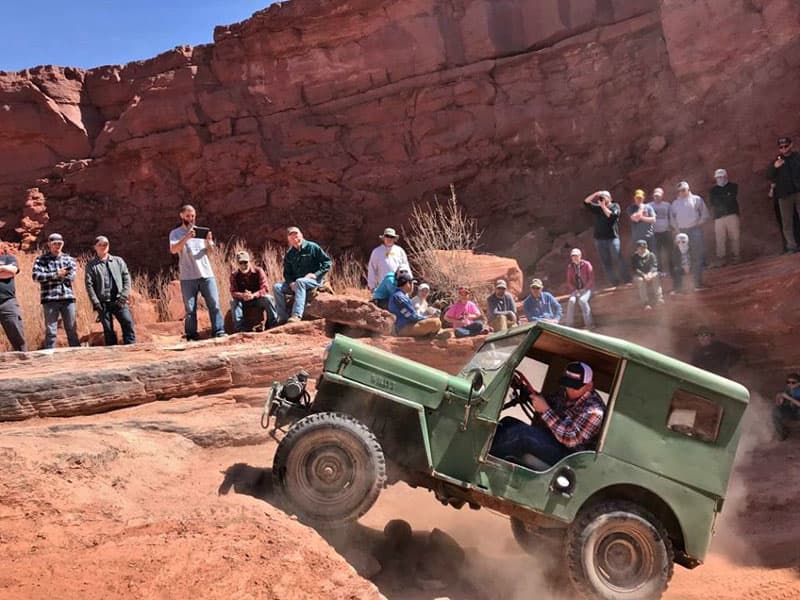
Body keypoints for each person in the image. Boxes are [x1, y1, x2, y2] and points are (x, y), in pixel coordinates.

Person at [490, 362, 605, 466]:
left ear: (589, 385)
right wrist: (526, 392)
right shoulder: (564, 393)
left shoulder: (595, 411)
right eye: (567, 384)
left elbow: (571, 439)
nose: (569, 389)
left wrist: (545, 410)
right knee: (507, 422)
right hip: (553, 440)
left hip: (568, 458)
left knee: (520, 434)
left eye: (574, 386)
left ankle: (487, 464)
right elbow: (548, 402)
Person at [169, 204, 225, 340]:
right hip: (188, 276)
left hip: (206, 274)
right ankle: (192, 335)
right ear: (181, 216)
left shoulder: (201, 232)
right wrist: (187, 238)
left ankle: (219, 331)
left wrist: (209, 242)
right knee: (190, 309)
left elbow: (211, 253)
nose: (191, 218)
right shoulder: (175, 233)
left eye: (193, 215)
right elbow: (174, 250)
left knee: (215, 305)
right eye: (188, 215)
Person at [273, 226, 332, 324]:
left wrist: (316, 274)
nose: (295, 240)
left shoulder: (312, 247)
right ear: (289, 241)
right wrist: (291, 283)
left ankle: (296, 315)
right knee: (277, 287)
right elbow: (287, 273)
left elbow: (327, 262)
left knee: (300, 281)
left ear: (302, 235)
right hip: (296, 284)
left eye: (297, 236)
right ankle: (282, 318)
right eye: (292, 238)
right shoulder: (289, 254)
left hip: (314, 281)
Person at [84, 236, 136, 345]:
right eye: (100, 245)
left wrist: (124, 296)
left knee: (128, 322)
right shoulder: (91, 265)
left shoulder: (118, 261)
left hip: (119, 300)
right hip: (103, 302)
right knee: (108, 329)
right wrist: (96, 302)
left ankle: (131, 349)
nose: (103, 247)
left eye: (105, 244)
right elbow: (89, 285)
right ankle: (112, 353)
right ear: (95, 247)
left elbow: (126, 279)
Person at [32, 233, 80, 349]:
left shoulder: (69, 259)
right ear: (49, 244)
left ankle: (78, 357)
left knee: (71, 329)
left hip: (67, 298)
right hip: (49, 299)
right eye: (55, 243)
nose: (57, 246)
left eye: (60, 243)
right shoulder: (41, 259)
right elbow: (36, 276)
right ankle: (50, 357)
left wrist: (51, 277)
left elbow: (72, 277)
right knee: (51, 331)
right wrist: (56, 274)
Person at [669, 181, 710, 291]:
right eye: (679, 191)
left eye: (683, 190)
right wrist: (677, 230)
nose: (681, 192)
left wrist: (698, 223)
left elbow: (705, 214)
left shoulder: (697, 199)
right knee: (681, 258)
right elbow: (672, 219)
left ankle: (697, 284)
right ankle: (680, 287)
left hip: (695, 230)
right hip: (681, 232)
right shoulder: (675, 203)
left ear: (688, 189)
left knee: (697, 255)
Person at [583, 190, 629, 287]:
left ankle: (626, 279)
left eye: (605, 196)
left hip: (612, 238)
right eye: (602, 197)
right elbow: (586, 202)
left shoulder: (615, 206)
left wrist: (603, 206)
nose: (602, 198)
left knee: (618, 258)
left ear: (610, 198)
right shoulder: (598, 208)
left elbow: (612, 216)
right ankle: (614, 282)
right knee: (606, 261)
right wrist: (596, 194)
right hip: (599, 239)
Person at [229, 251, 277, 332]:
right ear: (237, 263)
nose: (243, 265)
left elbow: (265, 288)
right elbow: (233, 292)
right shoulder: (234, 275)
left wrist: (253, 295)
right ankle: (240, 329)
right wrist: (243, 295)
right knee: (233, 302)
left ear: (249, 261)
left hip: (257, 299)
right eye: (241, 263)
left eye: (245, 262)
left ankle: (273, 324)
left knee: (269, 298)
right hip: (243, 301)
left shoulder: (258, 271)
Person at [767, 136, 800, 253]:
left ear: (791, 145)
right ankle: (791, 246)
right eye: (781, 147)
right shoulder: (776, 161)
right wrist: (775, 167)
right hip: (784, 195)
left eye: (786, 146)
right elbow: (768, 175)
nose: (784, 149)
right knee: (787, 222)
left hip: (798, 192)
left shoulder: (797, 157)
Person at [389, 272, 446, 338]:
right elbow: (412, 316)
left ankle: (430, 334)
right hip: (403, 328)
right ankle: (431, 336)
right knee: (435, 322)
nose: (413, 286)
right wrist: (427, 317)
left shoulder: (399, 295)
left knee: (435, 321)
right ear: (407, 284)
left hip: (405, 325)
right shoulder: (400, 297)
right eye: (412, 283)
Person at [708, 168, 741, 266]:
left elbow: (731, 198)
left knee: (734, 236)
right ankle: (721, 258)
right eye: (718, 177)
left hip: (732, 215)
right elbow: (713, 202)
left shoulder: (733, 186)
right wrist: (725, 197)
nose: (720, 179)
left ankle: (736, 256)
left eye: (722, 177)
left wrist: (723, 199)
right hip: (719, 217)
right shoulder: (713, 190)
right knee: (720, 238)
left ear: (726, 176)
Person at [0, 239, 27, 351]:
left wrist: (2, 268)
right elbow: (6, 274)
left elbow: (12, 271)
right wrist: (2, 271)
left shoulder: (8, 258)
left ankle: (25, 362)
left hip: (7, 302)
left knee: (17, 335)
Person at [564, 248, 594, 329]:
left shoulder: (587, 264)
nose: (574, 258)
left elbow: (591, 279)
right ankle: (569, 325)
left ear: (580, 256)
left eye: (576, 256)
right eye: (573, 256)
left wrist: (584, 289)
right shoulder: (570, 267)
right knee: (571, 301)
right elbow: (569, 281)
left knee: (582, 301)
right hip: (576, 290)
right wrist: (575, 290)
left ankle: (589, 324)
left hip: (588, 289)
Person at [630, 240, 663, 309]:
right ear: (637, 248)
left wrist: (650, 273)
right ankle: (645, 303)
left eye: (644, 247)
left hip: (650, 273)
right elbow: (635, 269)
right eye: (640, 248)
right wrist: (643, 275)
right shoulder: (634, 257)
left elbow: (654, 266)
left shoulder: (651, 255)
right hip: (640, 275)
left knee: (656, 277)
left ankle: (659, 299)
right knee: (640, 280)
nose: (642, 249)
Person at [648, 187, 673, 278]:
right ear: (653, 196)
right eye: (655, 196)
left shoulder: (667, 205)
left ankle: (672, 270)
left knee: (669, 252)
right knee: (656, 253)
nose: (657, 198)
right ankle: (659, 272)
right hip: (654, 233)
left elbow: (671, 217)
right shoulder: (649, 206)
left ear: (662, 196)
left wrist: (672, 228)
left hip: (666, 231)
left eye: (658, 196)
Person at [773, 373, 800, 441]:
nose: (790, 384)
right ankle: (782, 433)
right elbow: (778, 405)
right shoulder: (788, 391)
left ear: (798, 383)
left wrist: (788, 398)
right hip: (793, 411)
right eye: (788, 382)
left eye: (793, 382)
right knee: (775, 412)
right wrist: (778, 398)